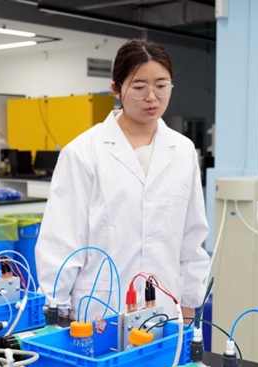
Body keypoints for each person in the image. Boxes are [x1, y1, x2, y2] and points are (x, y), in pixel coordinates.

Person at [36, 39, 209, 322]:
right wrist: (57, 308)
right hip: (99, 308)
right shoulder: (83, 152)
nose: (152, 97)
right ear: (116, 89)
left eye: (162, 86)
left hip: (165, 308)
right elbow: (62, 240)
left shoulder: (183, 150)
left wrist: (189, 304)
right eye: (139, 87)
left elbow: (191, 236)